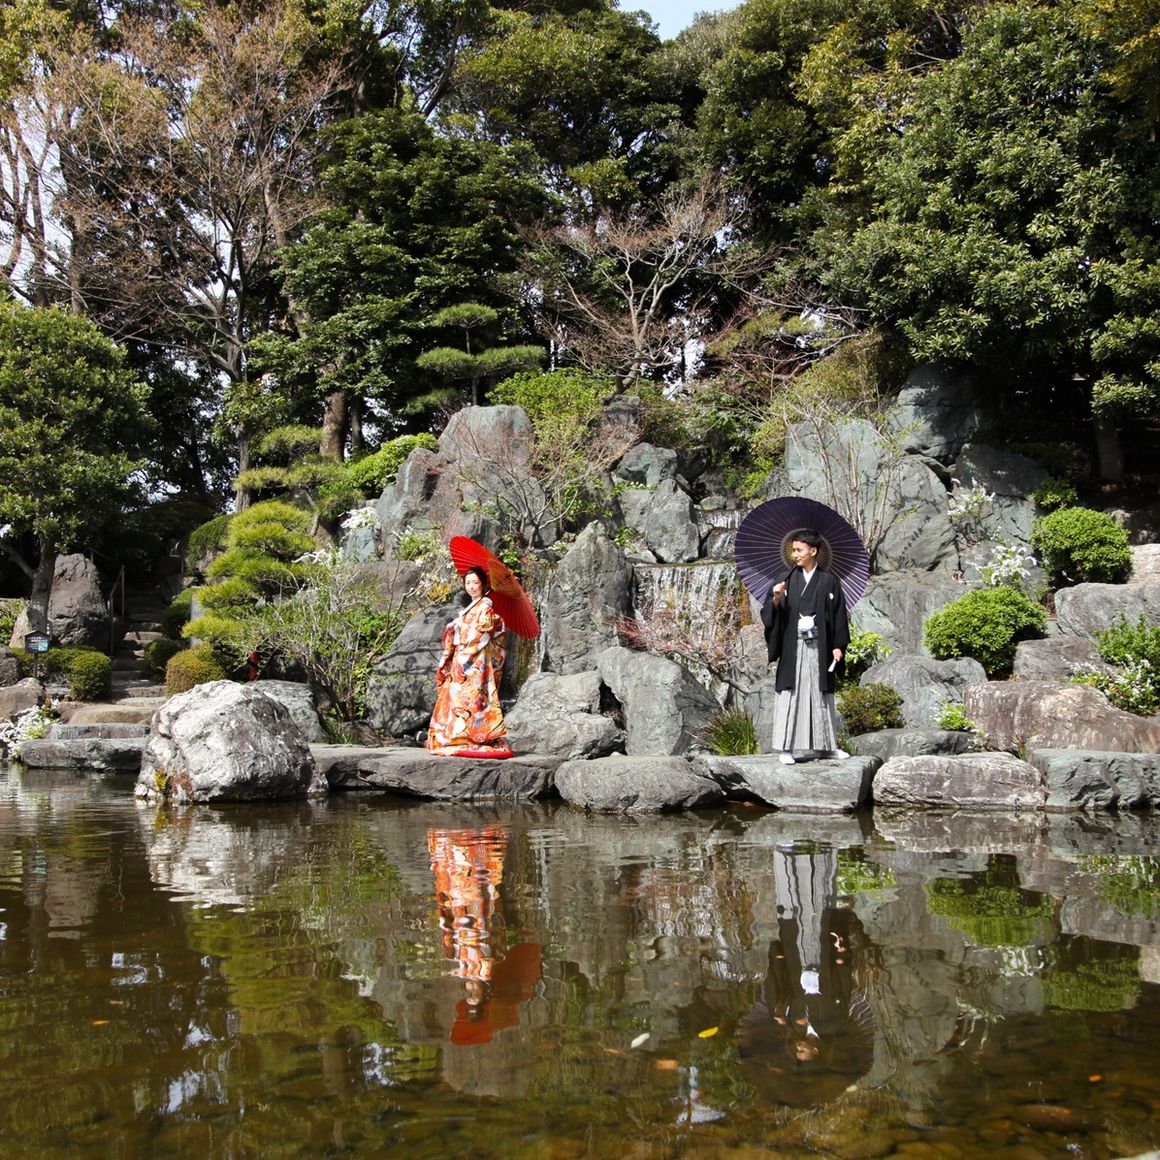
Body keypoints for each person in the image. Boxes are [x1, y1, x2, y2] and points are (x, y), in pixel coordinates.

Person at [760, 528, 851, 764]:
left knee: (820, 694)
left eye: (799, 550)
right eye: (793, 550)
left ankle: (826, 746)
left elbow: (839, 615)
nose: (795, 555)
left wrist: (838, 645)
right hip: (793, 644)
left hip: (821, 645)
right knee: (791, 693)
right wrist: (776, 598)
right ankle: (786, 748)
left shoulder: (829, 581)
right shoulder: (786, 579)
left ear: (813, 551)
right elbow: (771, 613)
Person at [426, 565, 512, 756]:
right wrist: (455, 627)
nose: (471, 586)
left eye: (475, 583)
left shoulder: (486, 606)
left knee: (474, 696)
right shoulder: (472, 606)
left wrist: (462, 630)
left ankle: (475, 735)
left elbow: (483, 632)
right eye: (468, 583)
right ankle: (458, 734)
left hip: (475, 659)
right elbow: (467, 628)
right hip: (462, 657)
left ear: (483, 584)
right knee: (457, 695)